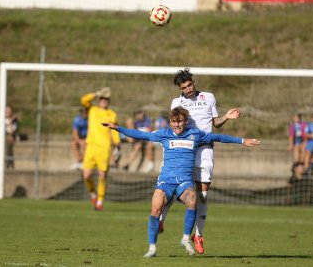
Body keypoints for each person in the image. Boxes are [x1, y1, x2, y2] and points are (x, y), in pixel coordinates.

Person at [102, 106, 260, 257]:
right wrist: (118, 128)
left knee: (193, 200)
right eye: (174, 121)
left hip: (184, 181)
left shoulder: (195, 134)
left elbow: (218, 137)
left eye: (180, 121)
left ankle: (185, 238)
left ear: (185, 121)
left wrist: (242, 140)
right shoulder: (163, 134)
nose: (177, 125)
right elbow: (141, 135)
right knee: (156, 208)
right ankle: (152, 248)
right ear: (170, 121)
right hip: (166, 181)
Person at [160, 68, 241, 254]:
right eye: (184, 87)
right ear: (180, 89)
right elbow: (176, 124)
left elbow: (215, 122)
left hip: (204, 151)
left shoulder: (208, 97)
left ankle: (198, 234)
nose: (188, 89)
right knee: (172, 187)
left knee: (202, 195)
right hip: (184, 150)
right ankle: (160, 220)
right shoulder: (176, 102)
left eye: (190, 85)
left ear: (193, 82)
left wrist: (227, 117)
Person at [80, 87, 120, 211]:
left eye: (106, 99)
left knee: (103, 175)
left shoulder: (112, 114)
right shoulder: (92, 109)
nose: (104, 101)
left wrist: (117, 145)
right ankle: (93, 195)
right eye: (102, 98)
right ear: (99, 99)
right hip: (91, 146)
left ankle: (100, 201)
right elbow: (83, 100)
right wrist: (95, 93)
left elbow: (114, 131)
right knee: (86, 175)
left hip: (105, 147)